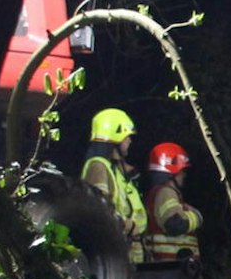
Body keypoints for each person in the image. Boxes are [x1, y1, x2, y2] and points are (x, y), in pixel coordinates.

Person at [79, 106, 146, 250]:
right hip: (113, 250)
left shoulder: (114, 170)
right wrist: (127, 225)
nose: (130, 141)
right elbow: (100, 210)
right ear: (115, 136)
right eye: (127, 136)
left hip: (126, 250)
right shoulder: (98, 167)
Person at [140, 141, 204, 263]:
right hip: (170, 269)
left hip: (168, 269)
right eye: (182, 171)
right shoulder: (166, 193)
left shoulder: (160, 193)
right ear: (171, 171)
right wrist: (197, 217)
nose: (184, 175)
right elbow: (174, 224)